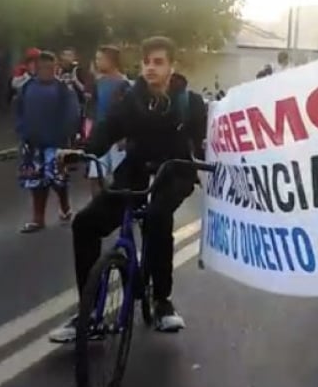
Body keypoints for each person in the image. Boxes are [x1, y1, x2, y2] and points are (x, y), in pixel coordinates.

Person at [50, 36, 208, 341]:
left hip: (173, 174)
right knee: (85, 224)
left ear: (172, 66)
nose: (150, 68)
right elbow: (108, 128)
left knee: (158, 218)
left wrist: (211, 163)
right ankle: (89, 311)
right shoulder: (131, 99)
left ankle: (162, 302)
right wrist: (83, 150)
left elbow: (204, 143)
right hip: (134, 173)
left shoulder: (191, 103)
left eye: (158, 62)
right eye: (147, 62)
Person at [16, 52, 79, 233]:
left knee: (58, 181)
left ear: (55, 68)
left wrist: (68, 137)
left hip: (56, 144)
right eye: (43, 67)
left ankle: (65, 207)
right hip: (33, 145)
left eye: (50, 68)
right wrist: (22, 130)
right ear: (36, 67)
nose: (46, 71)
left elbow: (71, 114)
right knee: (35, 182)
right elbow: (19, 110)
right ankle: (38, 219)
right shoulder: (28, 87)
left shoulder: (62, 89)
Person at [86, 45, 131, 198]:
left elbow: (128, 112)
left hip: (117, 138)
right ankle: (98, 209)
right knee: (95, 176)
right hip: (100, 136)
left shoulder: (124, 84)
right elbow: (93, 108)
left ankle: (122, 213)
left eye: (100, 59)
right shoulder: (99, 83)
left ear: (111, 61)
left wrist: (125, 136)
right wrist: (88, 132)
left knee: (120, 179)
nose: (97, 62)